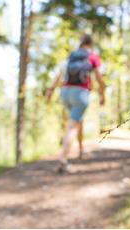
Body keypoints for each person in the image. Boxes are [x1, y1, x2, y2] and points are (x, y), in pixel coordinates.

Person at [47, 34, 105, 173]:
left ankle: (80, 149)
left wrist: (50, 90)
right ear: (91, 44)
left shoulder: (71, 56)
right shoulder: (92, 57)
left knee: (78, 120)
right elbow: (99, 78)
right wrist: (103, 94)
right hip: (80, 94)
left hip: (65, 93)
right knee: (72, 126)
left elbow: (59, 75)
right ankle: (63, 159)